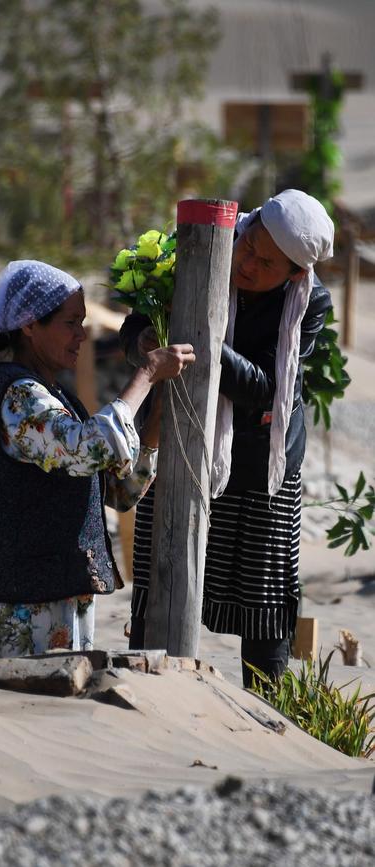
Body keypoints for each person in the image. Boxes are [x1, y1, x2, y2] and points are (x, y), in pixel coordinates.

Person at [120, 189, 334, 687]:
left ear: (295, 275)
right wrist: (146, 342)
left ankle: (264, 710)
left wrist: (204, 336)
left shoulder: (310, 302)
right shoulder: (195, 251)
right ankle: (148, 692)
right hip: (179, 437)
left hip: (263, 462)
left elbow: (266, 388)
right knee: (160, 580)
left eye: (266, 263)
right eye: (248, 246)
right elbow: (133, 333)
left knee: (264, 602)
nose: (247, 264)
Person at [0, 259, 196, 670]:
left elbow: (115, 490)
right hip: (12, 600)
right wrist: (147, 373)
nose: (82, 335)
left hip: (50, 593)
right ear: (30, 325)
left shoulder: (53, 396)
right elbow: (88, 449)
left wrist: (153, 423)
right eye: (70, 322)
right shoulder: (17, 396)